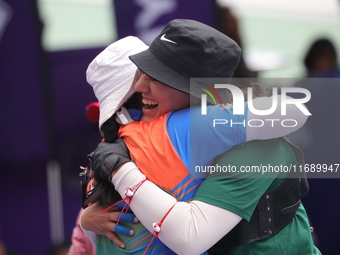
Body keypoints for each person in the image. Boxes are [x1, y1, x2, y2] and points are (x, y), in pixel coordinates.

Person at [82, 20, 318, 254]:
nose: (141, 87)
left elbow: (189, 237)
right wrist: (87, 218)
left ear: (201, 92)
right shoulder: (151, 135)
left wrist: (118, 169)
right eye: (140, 75)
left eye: (157, 77)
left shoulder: (257, 147)